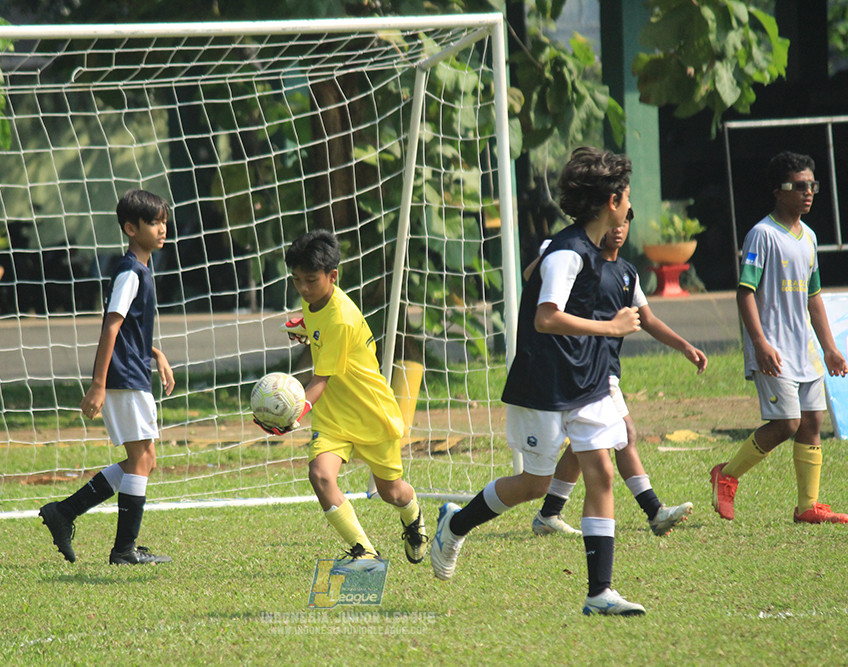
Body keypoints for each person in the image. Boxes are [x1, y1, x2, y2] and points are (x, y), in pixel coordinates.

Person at [430, 146, 646, 616]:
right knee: (533, 483)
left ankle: (599, 593)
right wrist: (610, 327)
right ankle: (456, 524)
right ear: (612, 201)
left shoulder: (577, 249)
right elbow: (547, 318)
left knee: (602, 472)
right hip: (544, 383)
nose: (630, 205)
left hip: (586, 380)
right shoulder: (567, 253)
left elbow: (538, 277)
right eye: (626, 196)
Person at [530, 208, 706, 538]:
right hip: (582, 367)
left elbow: (648, 319)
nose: (620, 228)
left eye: (626, 222)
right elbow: (538, 283)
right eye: (616, 220)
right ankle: (654, 511)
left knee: (587, 444)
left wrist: (684, 346)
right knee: (624, 434)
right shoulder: (580, 260)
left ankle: (549, 513)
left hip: (605, 367)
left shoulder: (627, 273)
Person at [261, 229, 428, 566]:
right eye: (296, 280)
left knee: (391, 492)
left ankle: (413, 516)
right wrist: (304, 327)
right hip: (334, 416)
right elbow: (316, 326)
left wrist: (293, 414)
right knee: (320, 475)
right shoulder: (315, 303)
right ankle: (364, 549)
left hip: (371, 413)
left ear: (332, 276)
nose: (304, 289)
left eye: (311, 280)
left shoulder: (341, 318)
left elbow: (320, 378)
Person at [40, 189, 177, 564]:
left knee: (143, 459)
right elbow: (110, 328)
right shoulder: (130, 272)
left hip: (132, 372)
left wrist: (156, 352)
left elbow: (131, 330)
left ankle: (65, 512)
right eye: (154, 222)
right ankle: (123, 550)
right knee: (143, 456)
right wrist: (98, 385)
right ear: (131, 229)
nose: (162, 228)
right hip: (123, 378)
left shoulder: (141, 269)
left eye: (164, 220)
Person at [711, 151, 848, 523]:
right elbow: (745, 292)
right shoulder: (763, 235)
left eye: (812, 186)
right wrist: (759, 343)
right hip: (773, 349)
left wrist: (830, 349)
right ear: (778, 190)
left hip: (804, 349)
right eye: (798, 186)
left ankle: (808, 507)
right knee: (786, 423)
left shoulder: (810, 239)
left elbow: (814, 297)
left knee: (813, 421)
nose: (808, 193)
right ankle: (726, 475)